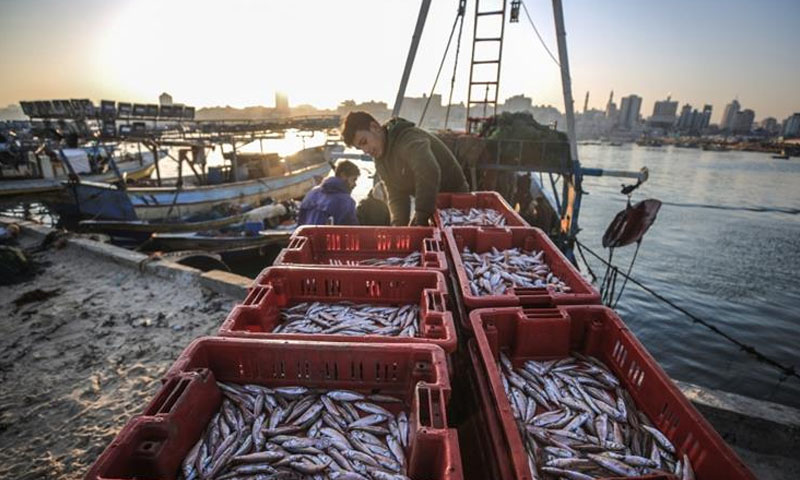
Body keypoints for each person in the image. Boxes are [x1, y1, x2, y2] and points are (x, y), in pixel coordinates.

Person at [342, 111, 469, 226]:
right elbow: (396, 195)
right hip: (433, 204)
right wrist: (398, 226)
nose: (365, 150)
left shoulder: (408, 138)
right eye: (360, 148)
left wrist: (421, 216)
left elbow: (428, 171)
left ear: (374, 127)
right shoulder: (380, 161)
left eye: (364, 142)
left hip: (455, 201)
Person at [297, 159, 360, 225]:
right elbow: (351, 229)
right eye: (354, 179)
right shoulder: (346, 202)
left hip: (306, 234)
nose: (355, 184)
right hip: (325, 235)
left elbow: (300, 222)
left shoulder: (312, 193)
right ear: (343, 175)